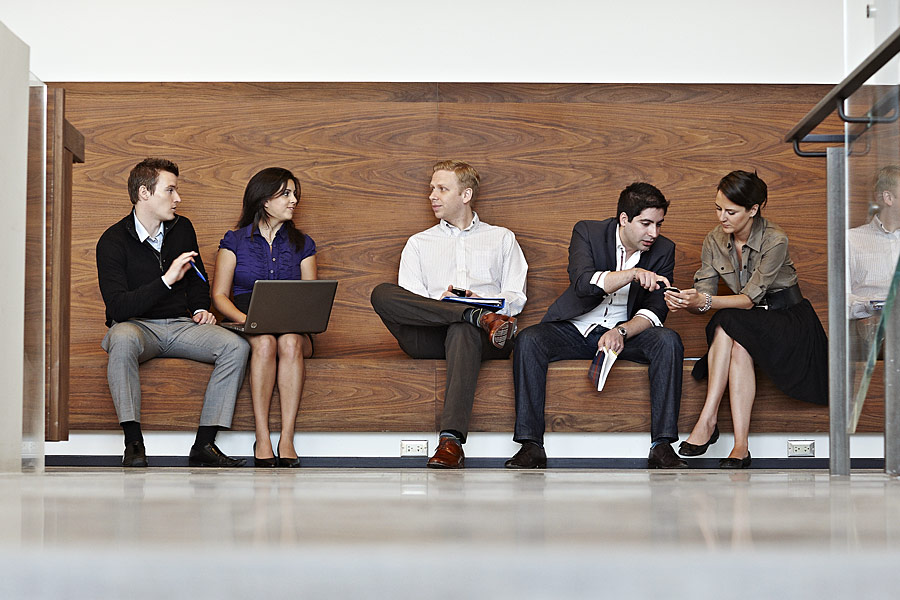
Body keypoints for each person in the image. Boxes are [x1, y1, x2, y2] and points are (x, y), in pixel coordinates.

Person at [506, 182, 685, 469]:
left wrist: (622, 331)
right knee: (529, 340)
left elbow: (655, 310)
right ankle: (531, 445)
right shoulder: (588, 232)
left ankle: (662, 445)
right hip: (576, 329)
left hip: (624, 333)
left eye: (659, 225)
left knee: (668, 341)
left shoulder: (664, 250)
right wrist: (632, 274)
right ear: (624, 219)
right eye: (646, 223)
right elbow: (584, 283)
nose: (654, 233)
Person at [371, 160, 527, 468]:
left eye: (442, 189)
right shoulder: (418, 243)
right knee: (381, 293)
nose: (433, 196)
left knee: (463, 329)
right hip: (429, 336)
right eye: (432, 188)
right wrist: (449, 306)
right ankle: (470, 315)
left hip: (488, 336)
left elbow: (516, 297)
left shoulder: (502, 238)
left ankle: (451, 442)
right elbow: (410, 306)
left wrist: (483, 303)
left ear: (466, 195)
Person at [667, 170, 828, 469]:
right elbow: (704, 297)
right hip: (748, 322)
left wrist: (705, 302)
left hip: (788, 319)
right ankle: (741, 446)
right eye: (717, 208)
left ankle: (707, 420)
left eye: (730, 211)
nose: (722, 217)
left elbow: (748, 298)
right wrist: (686, 301)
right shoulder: (713, 240)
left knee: (728, 320)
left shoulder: (775, 239)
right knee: (736, 339)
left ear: (753, 210)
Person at [96, 158, 250, 468]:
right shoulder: (111, 242)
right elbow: (118, 308)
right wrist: (166, 280)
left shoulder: (183, 228)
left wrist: (200, 309)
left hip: (181, 326)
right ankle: (133, 443)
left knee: (237, 346)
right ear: (144, 193)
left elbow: (196, 280)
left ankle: (205, 444)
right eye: (170, 190)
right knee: (121, 338)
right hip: (137, 327)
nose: (177, 198)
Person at [212, 167, 317, 468]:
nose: (293, 200)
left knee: (289, 343)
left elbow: (311, 296)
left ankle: (286, 437)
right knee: (265, 343)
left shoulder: (303, 244)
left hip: (293, 325)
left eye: (294, 193)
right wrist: (248, 321)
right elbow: (219, 296)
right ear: (263, 200)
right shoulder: (234, 241)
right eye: (286, 193)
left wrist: (295, 322)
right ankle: (262, 435)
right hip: (247, 321)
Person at [848, 165, 900, 358]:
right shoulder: (851, 240)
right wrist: (876, 305)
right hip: (874, 328)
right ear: (888, 198)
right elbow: (841, 301)